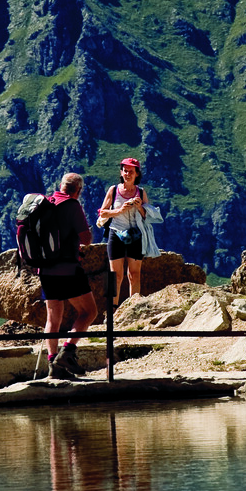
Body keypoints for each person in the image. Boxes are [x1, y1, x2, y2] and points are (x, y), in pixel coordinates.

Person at [40, 172, 97, 380]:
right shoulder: (72, 205)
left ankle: (53, 365)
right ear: (78, 190)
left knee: (53, 318)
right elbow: (86, 239)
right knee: (89, 311)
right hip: (68, 268)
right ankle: (68, 352)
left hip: (45, 269)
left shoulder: (45, 203)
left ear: (61, 186)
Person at [97, 157, 148, 307]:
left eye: (131, 171)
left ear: (137, 174)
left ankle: (134, 309)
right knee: (115, 275)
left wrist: (139, 207)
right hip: (116, 233)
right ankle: (112, 310)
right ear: (121, 172)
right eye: (125, 171)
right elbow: (102, 213)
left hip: (136, 235)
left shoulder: (141, 192)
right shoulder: (113, 190)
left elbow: (147, 216)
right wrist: (119, 211)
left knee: (134, 274)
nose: (127, 174)